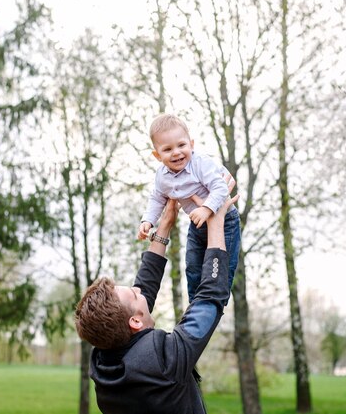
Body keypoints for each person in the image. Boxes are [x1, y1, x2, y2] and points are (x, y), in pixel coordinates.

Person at [75, 177, 239, 414]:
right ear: (135, 321)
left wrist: (164, 225)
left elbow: (142, 293)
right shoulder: (163, 362)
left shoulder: (103, 360)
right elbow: (210, 298)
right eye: (133, 293)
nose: (138, 288)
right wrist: (215, 223)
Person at [137, 113, 241, 302]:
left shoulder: (201, 163)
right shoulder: (162, 176)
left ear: (191, 144)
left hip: (225, 222)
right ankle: (195, 304)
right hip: (197, 225)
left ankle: (216, 302)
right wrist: (148, 220)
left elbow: (221, 188)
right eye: (167, 149)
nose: (176, 152)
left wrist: (207, 209)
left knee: (223, 265)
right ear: (157, 155)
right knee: (193, 267)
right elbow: (157, 198)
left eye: (181, 145)